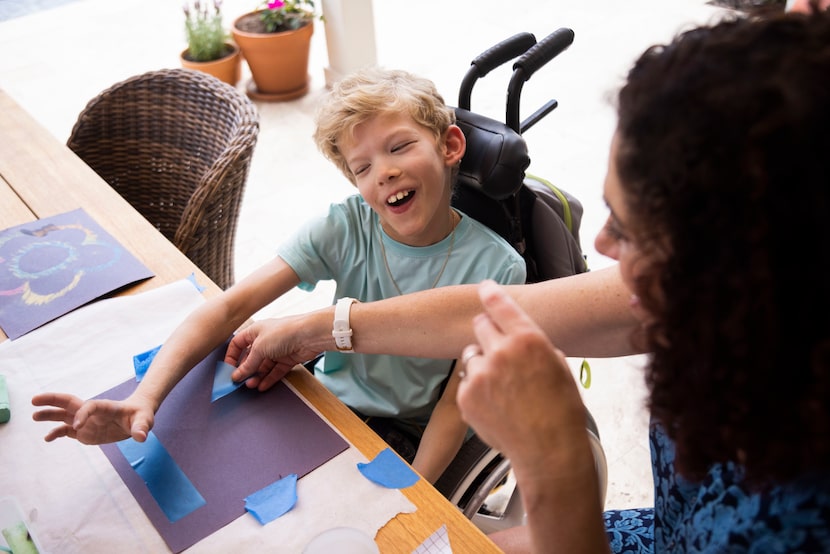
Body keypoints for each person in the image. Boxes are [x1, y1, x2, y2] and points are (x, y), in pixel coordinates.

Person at [133, 8, 830, 553]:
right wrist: (325, 325)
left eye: (629, 227)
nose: (600, 246)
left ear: (741, 255)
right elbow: (484, 311)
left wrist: (555, 460)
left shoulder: (789, 521)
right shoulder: (741, 318)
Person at [31, 67, 526, 484]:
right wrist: (145, 397)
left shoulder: (499, 269)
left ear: (450, 145)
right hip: (327, 404)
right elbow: (228, 307)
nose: (384, 173)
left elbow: (456, 405)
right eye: (362, 167)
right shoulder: (346, 225)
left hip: (407, 434)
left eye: (399, 147)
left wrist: (417, 491)